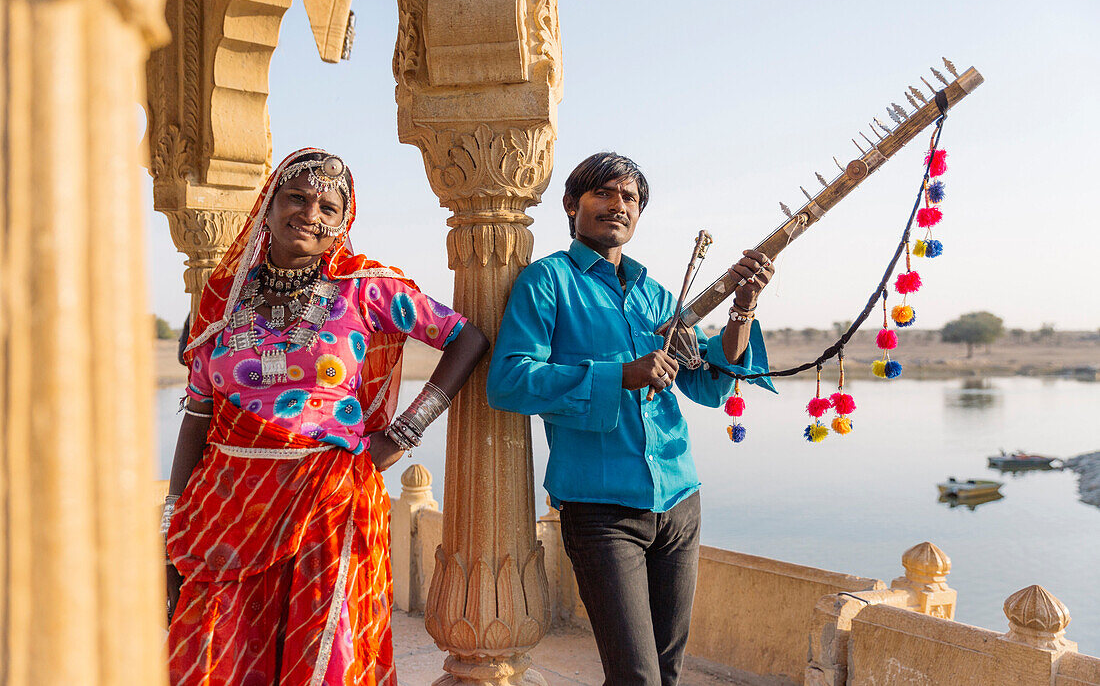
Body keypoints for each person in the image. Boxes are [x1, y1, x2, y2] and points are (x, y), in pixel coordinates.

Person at [164, 148, 488, 685]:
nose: (310, 213)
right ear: (266, 208)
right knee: (211, 651)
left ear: (341, 225)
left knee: (321, 650)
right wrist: (172, 519)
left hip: (328, 496)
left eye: (328, 207)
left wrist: (403, 433)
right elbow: (197, 416)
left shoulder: (362, 288)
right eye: (296, 197)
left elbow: (465, 339)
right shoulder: (223, 300)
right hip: (227, 502)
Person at [486, 152, 775, 685]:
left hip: (679, 499)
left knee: (666, 672)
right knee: (634, 677)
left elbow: (709, 382)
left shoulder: (658, 295)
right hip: (601, 510)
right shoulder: (547, 282)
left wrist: (743, 307)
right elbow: (509, 381)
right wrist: (622, 373)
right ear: (572, 205)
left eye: (630, 198)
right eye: (604, 193)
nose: (618, 206)